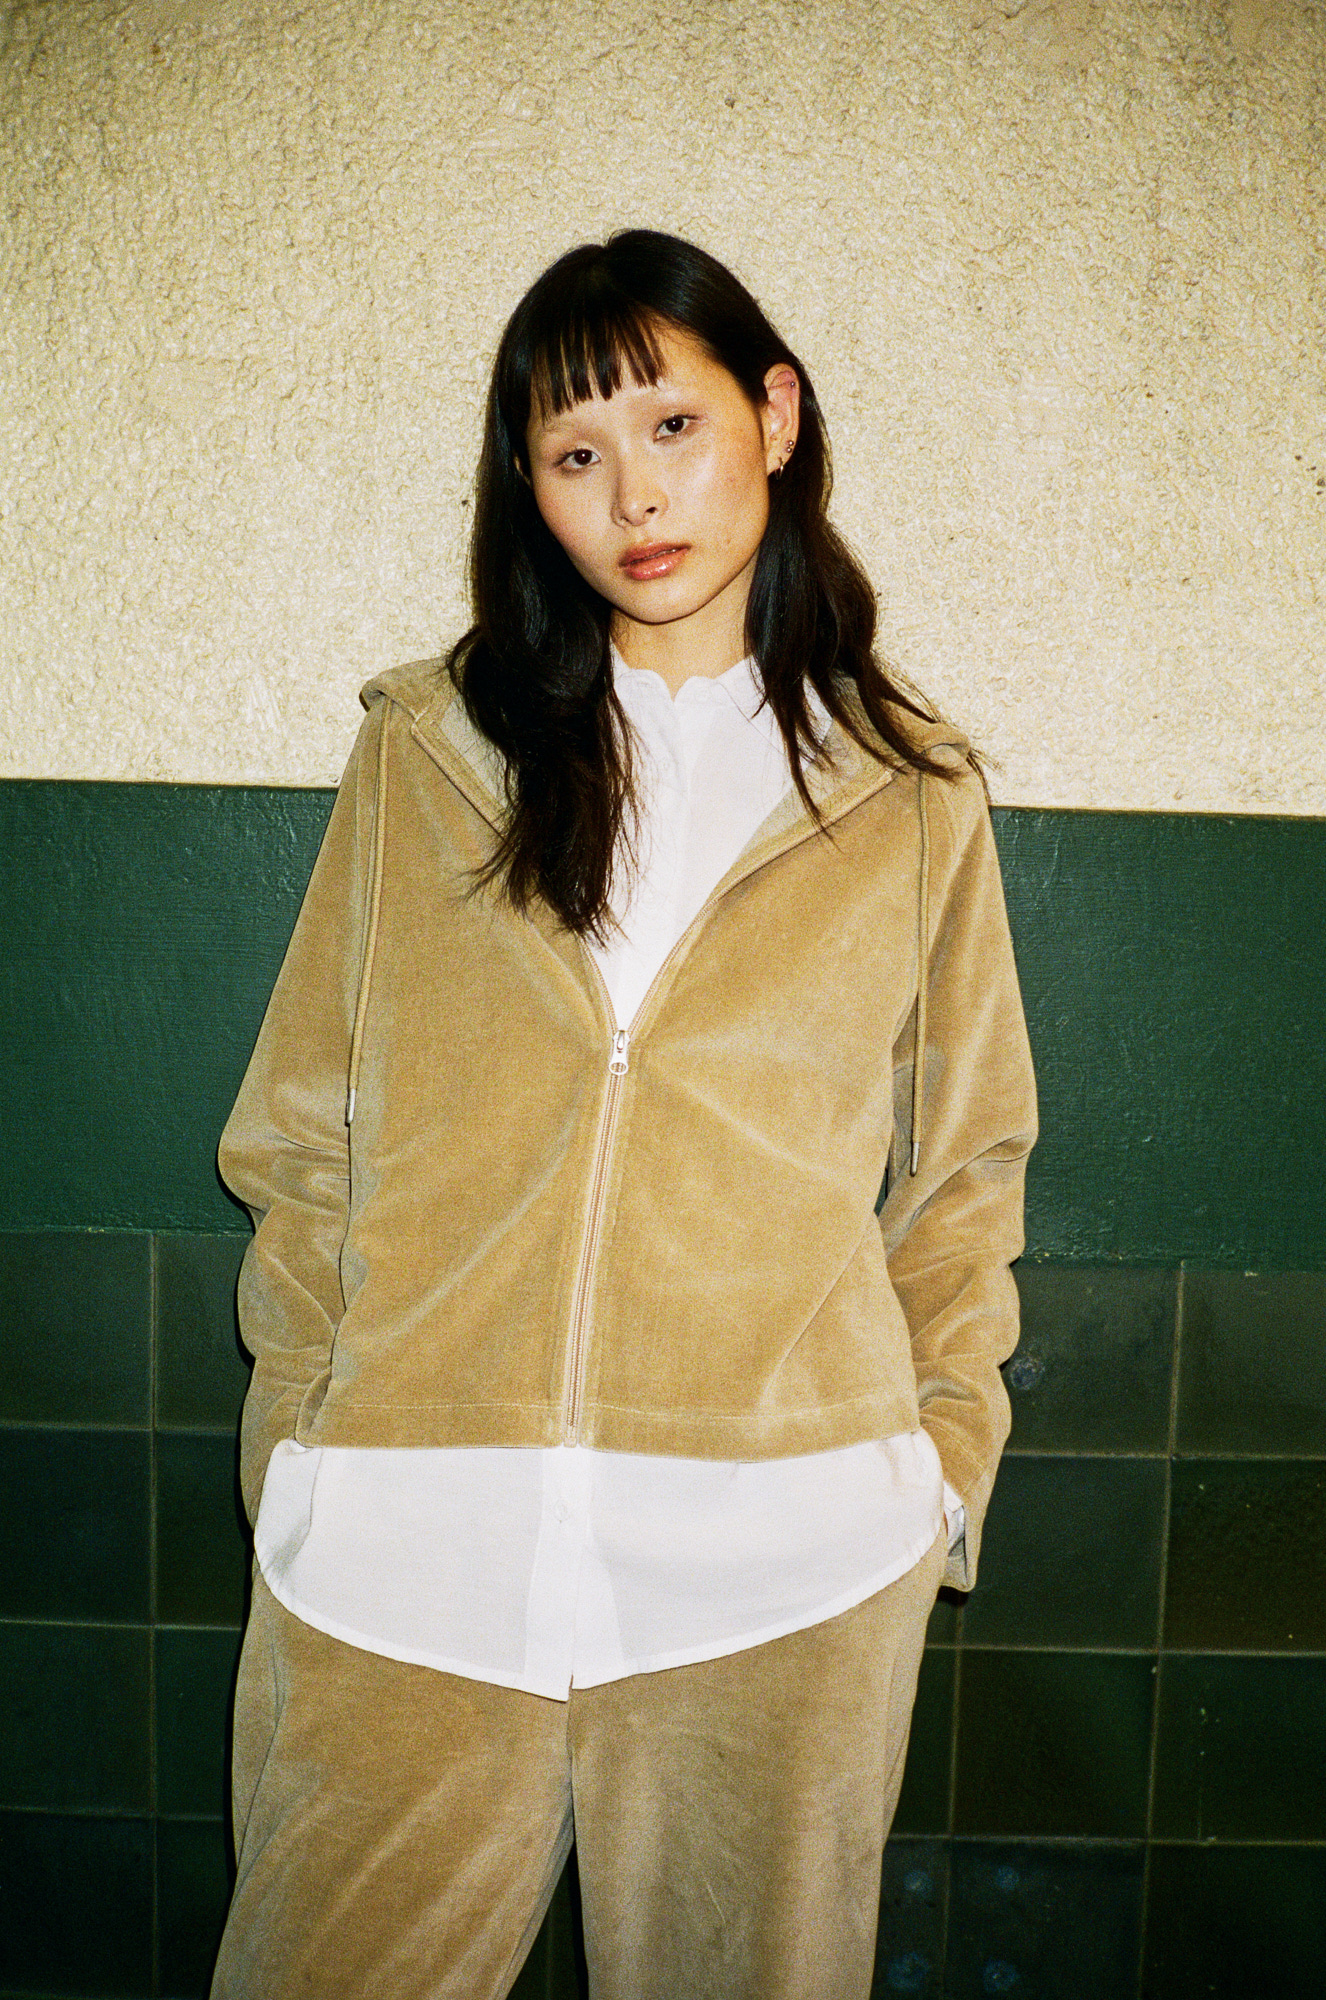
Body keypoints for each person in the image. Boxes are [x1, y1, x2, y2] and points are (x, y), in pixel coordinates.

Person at [210, 229, 1037, 2000]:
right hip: (403, 1550)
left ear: (775, 418)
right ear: (528, 489)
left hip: (781, 1565)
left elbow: (965, 1163)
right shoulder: (430, 756)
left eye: (672, 426)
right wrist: (300, 1455)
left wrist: (933, 1481)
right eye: (574, 454)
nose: (632, 496)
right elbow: (300, 1131)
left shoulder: (907, 795)